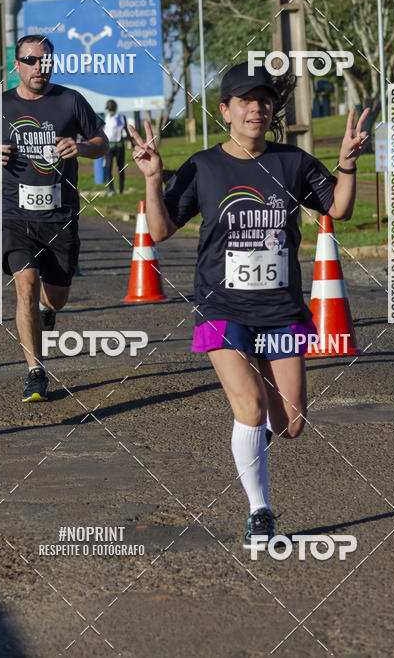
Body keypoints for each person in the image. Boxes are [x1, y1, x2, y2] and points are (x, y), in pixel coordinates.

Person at [129, 61, 369, 548]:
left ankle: (259, 396)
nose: (256, 109)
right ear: (225, 110)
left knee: (291, 424)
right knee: (251, 407)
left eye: (264, 101)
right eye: (245, 101)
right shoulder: (203, 166)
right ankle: (260, 510)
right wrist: (153, 179)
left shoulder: (293, 162)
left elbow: (338, 209)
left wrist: (347, 163)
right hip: (222, 307)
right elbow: (159, 230)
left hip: (280, 310)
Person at [0, 34, 109, 402]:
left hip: (59, 215)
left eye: (44, 60)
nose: (38, 67)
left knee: (56, 297)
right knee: (25, 284)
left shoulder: (70, 100)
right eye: (30, 60)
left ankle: (47, 309)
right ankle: (36, 372)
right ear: (16, 65)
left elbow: (102, 142)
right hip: (12, 213)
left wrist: (83, 147)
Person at [103, 99, 129, 195]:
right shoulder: (121, 117)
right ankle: (120, 190)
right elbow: (126, 131)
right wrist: (133, 144)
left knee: (109, 169)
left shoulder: (106, 117)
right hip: (118, 146)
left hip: (110, 146)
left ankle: (112, 190)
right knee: (120, 168)